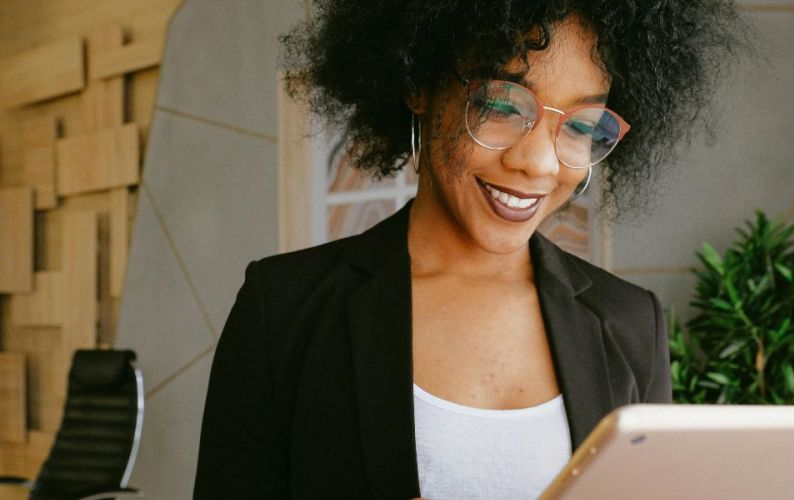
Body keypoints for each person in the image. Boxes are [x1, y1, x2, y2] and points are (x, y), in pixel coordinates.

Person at [193, 1, 741, 498]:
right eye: (502, 106)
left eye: (581, 125)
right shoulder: (285, 309)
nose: (541, 164)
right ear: (420, 83)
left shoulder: (628, 321)